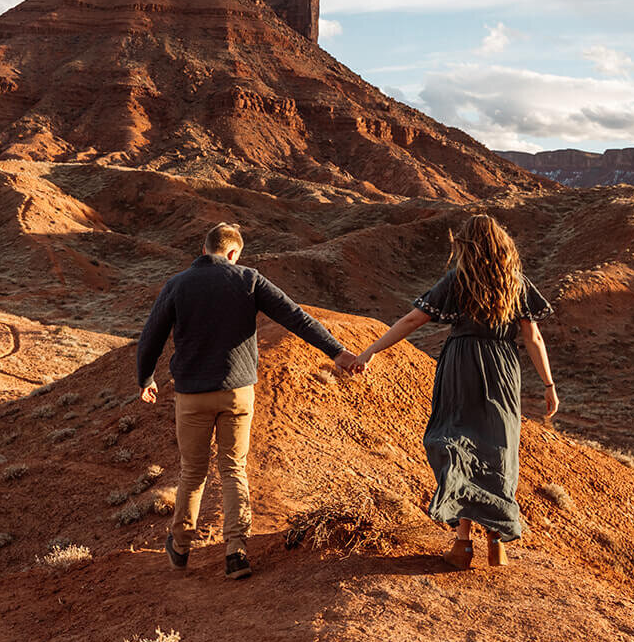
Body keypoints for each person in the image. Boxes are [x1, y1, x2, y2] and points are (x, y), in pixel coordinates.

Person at [137, 222, 362, 580]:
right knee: (232, 469)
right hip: (237, 392)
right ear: (232, 254)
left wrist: (146, 378)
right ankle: (236, 552)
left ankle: (180, 548)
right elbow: (296, 317)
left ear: (204, 248)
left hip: (192, 394)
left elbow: (151, 336)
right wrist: (336, 351)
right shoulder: (249, 279)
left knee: (193, 472)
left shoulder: (177, 285)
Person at [355, 214, 557, 569]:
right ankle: (497, 543)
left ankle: (463, 544)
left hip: (461, 364)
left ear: (467, 247)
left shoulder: (457, 280)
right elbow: (533, 337)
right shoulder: (517, 283)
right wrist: (548, 385)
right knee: (498, 449)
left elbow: (413, 320)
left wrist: (371, 350)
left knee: (458, 441)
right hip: (503, 368)